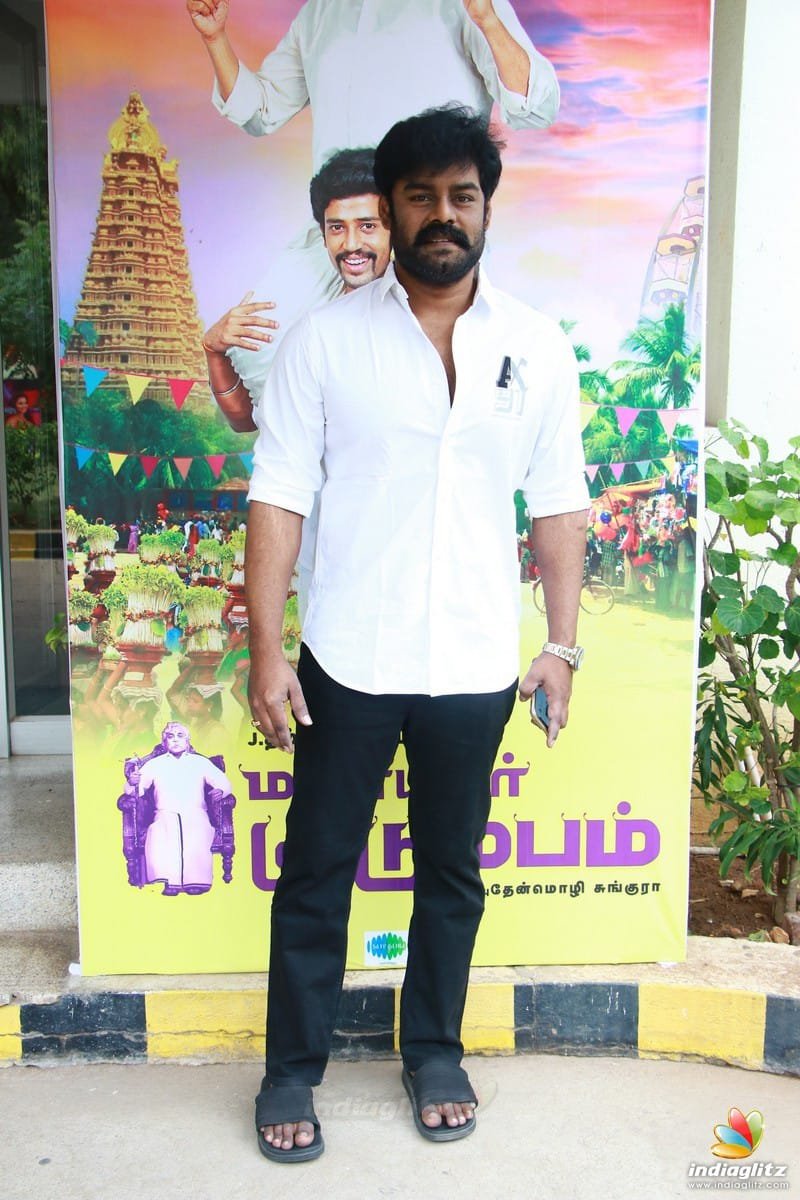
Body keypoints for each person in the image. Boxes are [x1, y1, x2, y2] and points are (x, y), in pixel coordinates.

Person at [245, 105, 589, 1162]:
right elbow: (278, 495)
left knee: (450, 872)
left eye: (462, 196)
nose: (443, 214)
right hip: (348, 659)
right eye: (420, 196)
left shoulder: (534, 345)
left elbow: (557, 501)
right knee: (318, 872)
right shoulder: (325, 342)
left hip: (475, 663)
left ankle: (433, 1051)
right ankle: (290, 1072)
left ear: (486, 207)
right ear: (389, 211)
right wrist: (268, 650)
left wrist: (561, 645)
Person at [202, 147, 392, 429]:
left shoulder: (420, 318)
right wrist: (213, 349)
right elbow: (247, 421)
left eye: (367, 226)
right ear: (323, 235)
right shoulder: (308, 320)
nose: (351, 244)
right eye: (337, 228)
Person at [124, 722, 233, 895]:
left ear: (188, 740)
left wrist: (221, 790)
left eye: (180, 736)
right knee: (160, 832)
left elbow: (223, 782)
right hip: (164, 814)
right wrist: (132, 782)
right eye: (170, 736)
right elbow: (136, 790)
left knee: (197, 832)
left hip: (196, 813)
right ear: (164, 741)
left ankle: (196, 882)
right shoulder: (155, 764)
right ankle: (171, 882)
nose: (175, 740)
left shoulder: (200, 762)